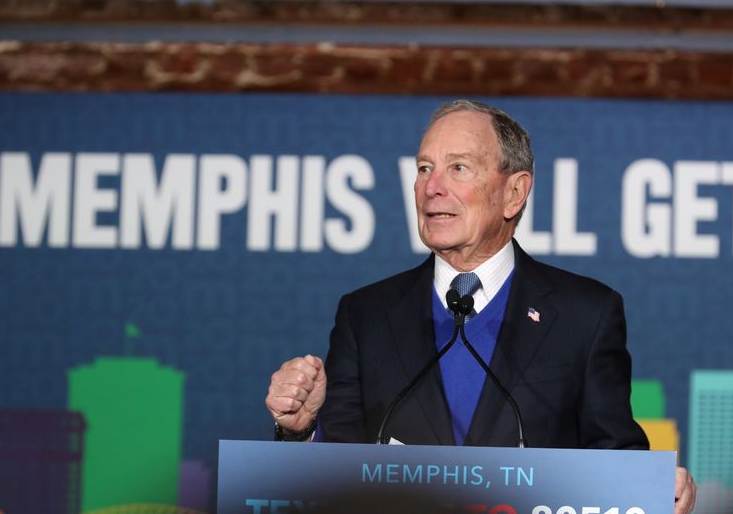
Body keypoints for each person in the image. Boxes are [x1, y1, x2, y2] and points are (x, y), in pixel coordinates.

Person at [265, 100, 696, 514]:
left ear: (514, 193)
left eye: (459, 168)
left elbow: (614, 457)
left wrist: (654, 491)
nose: (432, 187)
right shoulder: (365, 315)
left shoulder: (586, 314)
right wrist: (301, 432)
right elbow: (334, 472)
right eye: (424, 168)